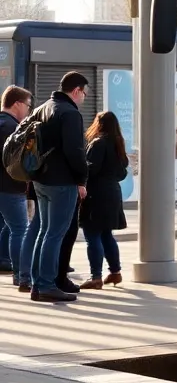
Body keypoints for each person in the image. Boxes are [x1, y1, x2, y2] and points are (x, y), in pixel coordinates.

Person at [27, 72, 89, 303]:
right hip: (62, 181)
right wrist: (82, 178)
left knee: (45, 232)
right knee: (54, 233)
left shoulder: (42, 108)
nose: (83, 97)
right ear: (76, 91)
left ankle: (37, 284)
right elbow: (75, 151)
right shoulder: (70, 113)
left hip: (40, 179)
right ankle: (46, 285)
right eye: (84, 93)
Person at [79, 111, 128, 289]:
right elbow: (123, 172)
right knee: (106, 234)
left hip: (96, 193)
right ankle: (115, 272)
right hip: (113, 192)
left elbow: (90, 169)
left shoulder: (98, 143)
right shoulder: (118, 144)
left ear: (98, 124)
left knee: (92, 235)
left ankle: (96, 277)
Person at [0, 85, 32, 286]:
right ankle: (21, 276)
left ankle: (7, 263)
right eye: (28, 105)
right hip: (9, 187)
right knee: (20, 229)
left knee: (7, 227)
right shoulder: (11, 128)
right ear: (17, 104)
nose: (28, 110)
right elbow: (14, 162)